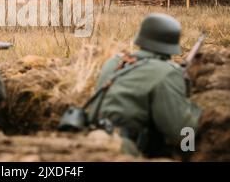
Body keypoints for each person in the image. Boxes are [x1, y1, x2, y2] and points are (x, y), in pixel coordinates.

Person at [86, 13, 202, 158]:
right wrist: (194, 112)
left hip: (91, 138)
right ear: (172, 46)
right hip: (124, 149)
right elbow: (181, 132)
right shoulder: (166, 73)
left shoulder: (115, 62)